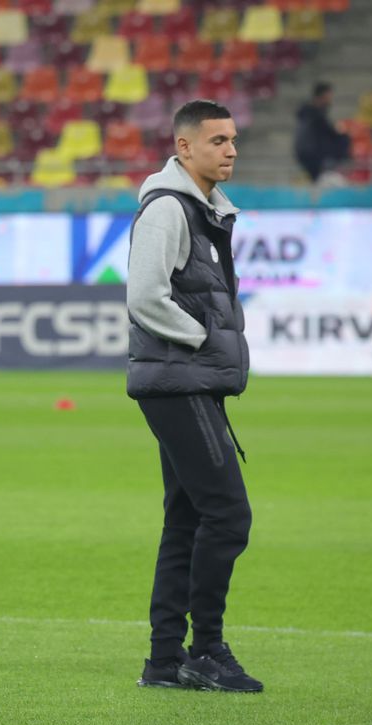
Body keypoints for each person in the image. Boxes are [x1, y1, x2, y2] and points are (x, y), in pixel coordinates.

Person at [126, 100, 263, 694]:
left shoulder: (203, 210)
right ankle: (204, 649)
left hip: (189, 380)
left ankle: (163, 660)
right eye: (217, 140)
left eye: (233, 139)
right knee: (228, 515)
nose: (231, 149)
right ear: (184, 148)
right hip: (177, 380)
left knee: (186, 519)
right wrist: (207, 340)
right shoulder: (168, 211)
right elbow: (146, 297)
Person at [294, 82, 350, 182]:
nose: (330, 99)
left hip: (312, 156)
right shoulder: (313, 116)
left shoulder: (313, 115)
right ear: (322, 96)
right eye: (329, 96)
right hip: (313, 156)